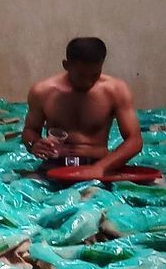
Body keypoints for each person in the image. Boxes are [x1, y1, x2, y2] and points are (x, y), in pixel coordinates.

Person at [21, 37, 142, 178]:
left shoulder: (116, 91)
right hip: (55, 163)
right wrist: (34, 144)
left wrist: (100, 168)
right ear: (66, 65)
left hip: (98, 163)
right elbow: (30, 131)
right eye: (81, 75)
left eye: (95, 74)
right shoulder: (43, 92)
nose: (88, 81)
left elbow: (134, 140)